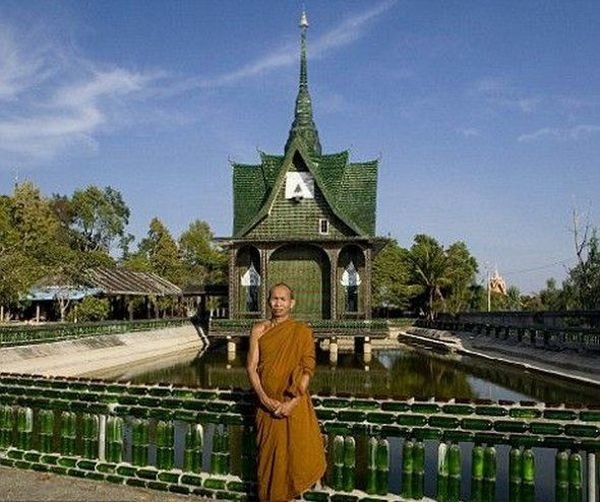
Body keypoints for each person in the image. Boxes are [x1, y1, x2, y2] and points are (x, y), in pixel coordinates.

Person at [246, 283, 326, 502]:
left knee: (295, 458)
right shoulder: (258, 329)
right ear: (268, 301)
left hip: (294, 406)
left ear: (292, 303)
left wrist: (291, 403)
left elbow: (307, 369)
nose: (278, 303)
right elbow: (252, 367)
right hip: (266, 408)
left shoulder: (302, 332)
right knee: (268, 462)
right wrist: (263, 398)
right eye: (274, 299)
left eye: (283, 299)